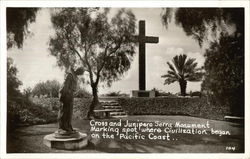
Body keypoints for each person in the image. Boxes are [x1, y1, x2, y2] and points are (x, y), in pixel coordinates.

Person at [57, 67, 84, 135]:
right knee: (64, 111)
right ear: (78, 70)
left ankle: (68, 126)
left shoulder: (75, 76)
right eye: (81, 72)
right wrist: (63, 96)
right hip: (66, 95)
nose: (81, 74)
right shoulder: (70, 75)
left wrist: (71, 94)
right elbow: (65, 86)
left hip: (70, 95)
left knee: (69, 112)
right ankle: (62, 127)